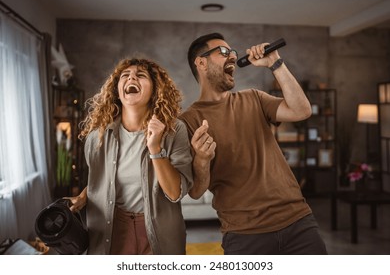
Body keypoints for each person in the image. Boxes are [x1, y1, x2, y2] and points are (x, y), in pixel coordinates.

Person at [179, 32, 327, 255]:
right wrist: (201, 159)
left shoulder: (254, 98)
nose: (232, 57)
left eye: (233, 53)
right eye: (223, 52)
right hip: (244, 234)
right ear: (201, 62)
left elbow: (301, 110)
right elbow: (196, 192)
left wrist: (275, 63)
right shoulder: (187, 122)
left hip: (298, 222)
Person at [65, 57, 193, 255]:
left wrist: (156, 149)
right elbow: (102, 181)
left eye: (140, 75)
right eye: (125, 75)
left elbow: (175, 193)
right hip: (113, 226)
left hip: (159, 230)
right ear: (117, 89)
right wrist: (83, 197)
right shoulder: (96, 138)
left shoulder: (174, 130)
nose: (131, 77)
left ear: (155, 89)